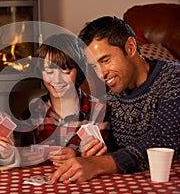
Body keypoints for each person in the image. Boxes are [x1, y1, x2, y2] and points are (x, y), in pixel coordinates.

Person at [49, 16, 180, 183]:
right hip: (131, 182)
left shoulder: (174, 79)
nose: (101, 73)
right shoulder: (107, 92)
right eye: (95, 66)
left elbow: (162, 143)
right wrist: (84, 152)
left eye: (106, 60)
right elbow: (112, 147)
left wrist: (94, 164)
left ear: (131, 47)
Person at [18, 33, 109, 167]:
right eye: (49, 72)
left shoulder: (99, 110)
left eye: (66, 72)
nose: (57, 80)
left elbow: (104, 156)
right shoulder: (32, 112)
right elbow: (23, 158)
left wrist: (78, 156)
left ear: (78, 70)